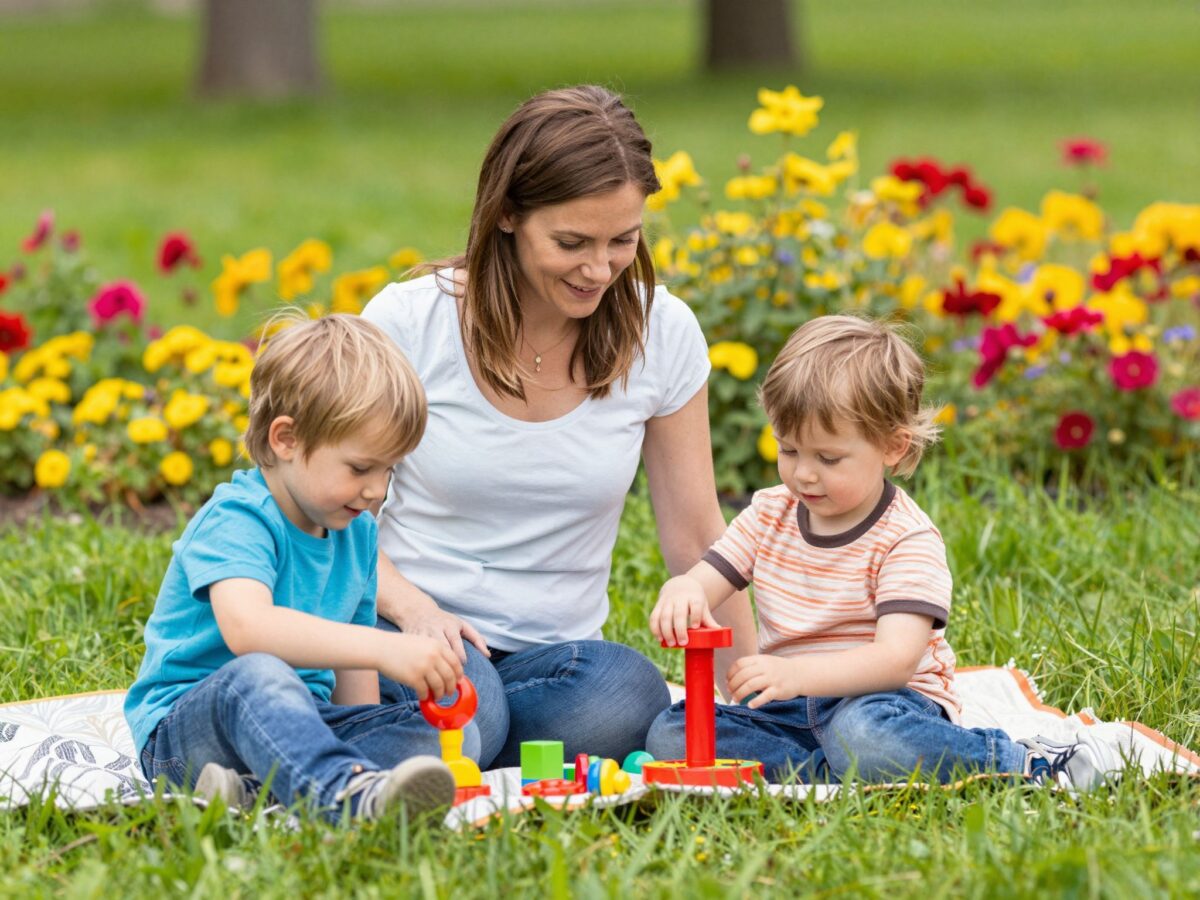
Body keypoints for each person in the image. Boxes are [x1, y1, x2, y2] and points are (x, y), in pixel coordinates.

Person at [361, 84, 756, 768]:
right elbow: (334, 519)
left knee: (628, 695)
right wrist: (413, 610)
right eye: (571, 242)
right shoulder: (409, 324)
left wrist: (755, 701)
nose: (599, 269)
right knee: (464, 693)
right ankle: (445, 728)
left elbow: (697, 535)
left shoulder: (662, 332)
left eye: (623, 240)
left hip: (552, 662)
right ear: (507, 213)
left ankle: (443, 740)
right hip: (409, 624)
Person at [644, 315, 1120, 789]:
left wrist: (795, 673)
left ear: (892, 447)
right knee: (673, 734)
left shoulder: (905, 538)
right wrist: (685, 589)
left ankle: (1020, 759)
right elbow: (709, 577)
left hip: (884, 703)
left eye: (828, 458)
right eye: (788, 450)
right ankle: (837, 771)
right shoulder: (770, 513)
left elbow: (895, 660)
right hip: (790, 711)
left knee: (865, 735)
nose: (803, 474)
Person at [124, 313, 468, 821]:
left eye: (389, 470)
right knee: (259, 675)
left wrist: (369, 724)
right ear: (286, 438)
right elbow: (249, 630)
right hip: (187, 735)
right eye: (360, 468)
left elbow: (353, 685)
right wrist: (385, 646)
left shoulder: (357, 535)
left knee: (431, 737)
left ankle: (258, 790)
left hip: (304, 729)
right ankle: (346, 800)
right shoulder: (237, 519)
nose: (377, 490)